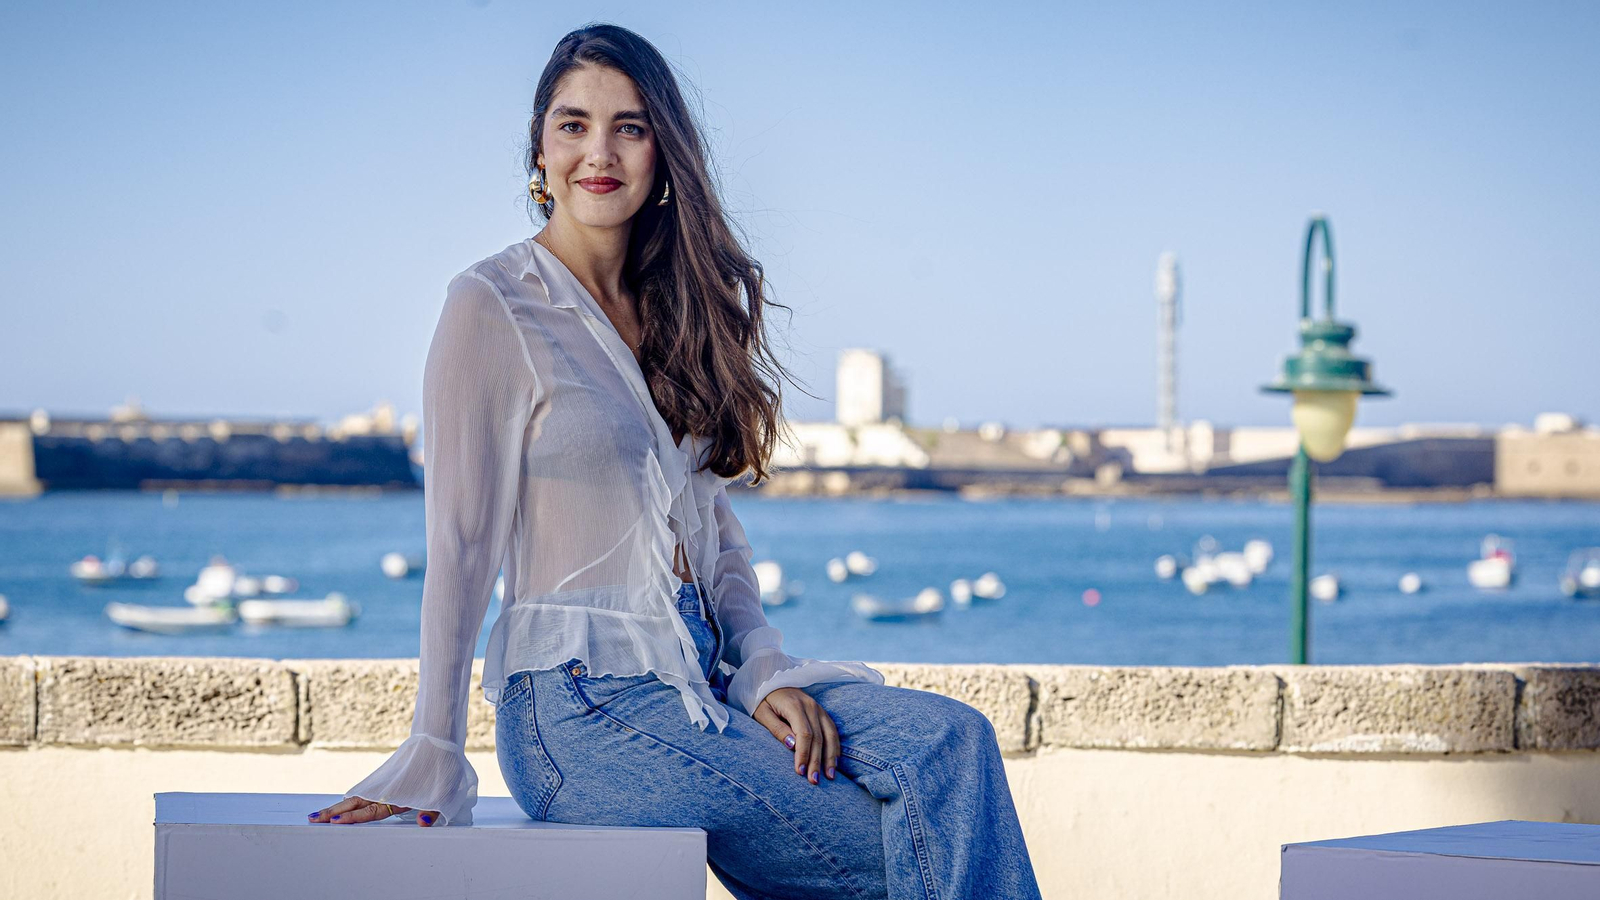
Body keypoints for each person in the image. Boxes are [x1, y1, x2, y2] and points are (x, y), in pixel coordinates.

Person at [308, 22, 1042, 899]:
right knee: (896, 851)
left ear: (663, 152)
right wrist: (434, 746)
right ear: (538, 150)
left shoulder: (681, 310)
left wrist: (761, 666)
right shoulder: (491, 303)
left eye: (630, 126)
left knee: (953, 745)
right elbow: (461, 542)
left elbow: (715, 531)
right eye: (573, 125)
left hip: (705, 678)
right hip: (581, 710)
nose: (599, 152)